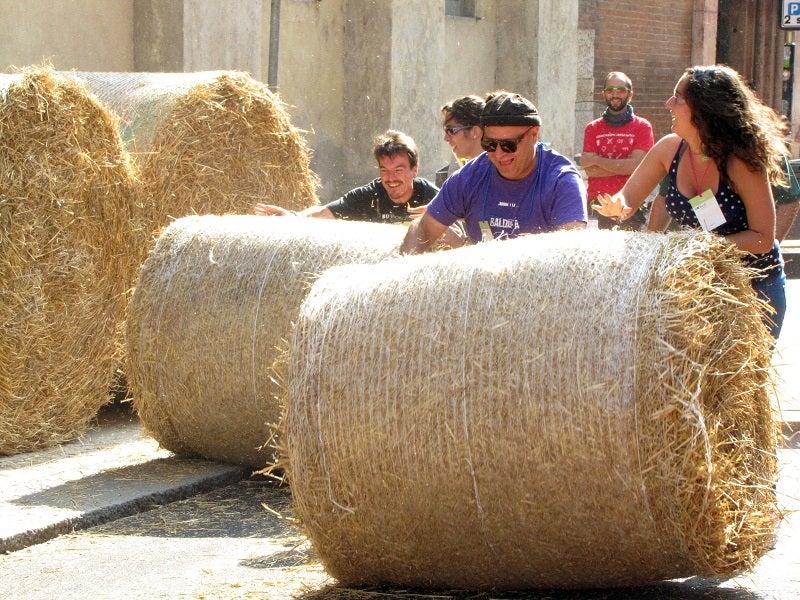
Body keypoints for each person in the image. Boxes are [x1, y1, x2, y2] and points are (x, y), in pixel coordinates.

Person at [593, 65, 788, 339]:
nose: (668, 103)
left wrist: (696, 245)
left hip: (753, 287)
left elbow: (763, 238)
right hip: (699, 286)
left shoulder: (741, 161)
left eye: (678, 97)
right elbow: (628, 197)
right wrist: (616, 205)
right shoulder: (668, 148)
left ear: (705, 107)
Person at [400, 91, 587, 254]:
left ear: (533, 135)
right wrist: (405, 261)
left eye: (508, 145)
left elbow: (571, 251)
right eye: (489, 144)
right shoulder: (469, 177)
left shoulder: (562, 182)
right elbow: (423, 227)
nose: (499, 154)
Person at [253, 130, 437, 223]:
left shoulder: (434, 197)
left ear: (414, 170)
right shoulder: (370, 195)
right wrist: (293, 216)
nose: (391, 178)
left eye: (398, 170)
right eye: (384, 170)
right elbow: (324, 212)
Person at [648, 157, 800, 242]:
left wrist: (770, 247)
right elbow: (663, 198)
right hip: (699, 264)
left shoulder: (760, 148)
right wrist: (650, 246)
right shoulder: (679, 149)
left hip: (754, 267)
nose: (670, 105)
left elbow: (789, 200)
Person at [581, 72, 654, 230]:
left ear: (630, 94)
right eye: (610, 90)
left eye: (621, 90)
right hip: (597, 206)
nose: (615, 94)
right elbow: (590, 171)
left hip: (630, 205)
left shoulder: (642, 127)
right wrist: (623, 166)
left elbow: (636, 167)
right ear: (604, 93)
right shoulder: (592, 128)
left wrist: (597, 160)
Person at [435, 95, 485, 186]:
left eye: (451, 130)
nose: (446, 138)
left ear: (475, 132)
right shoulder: (465, 173)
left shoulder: (500, 173)